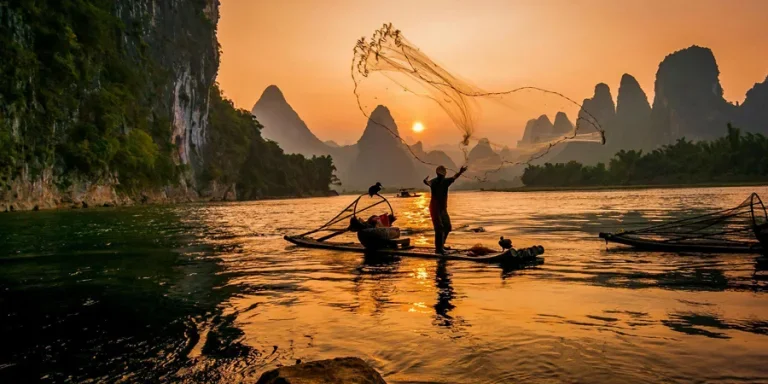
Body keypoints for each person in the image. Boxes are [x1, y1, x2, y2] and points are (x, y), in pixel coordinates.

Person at [423, 165, 467, 254]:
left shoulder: (440, 181)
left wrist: (425, 180)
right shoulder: (441, 181)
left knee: (447, 227)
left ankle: (441, 245)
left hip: (442, 208)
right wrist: (461, 172)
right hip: (435, 208)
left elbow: (426, 182)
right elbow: (455, 176)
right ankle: (439, 249)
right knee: (439, 228)